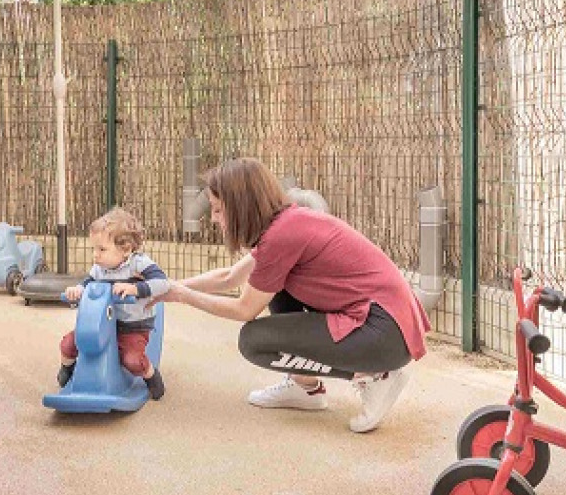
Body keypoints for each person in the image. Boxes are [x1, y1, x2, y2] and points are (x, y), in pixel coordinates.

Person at [158, 158, 431, 433]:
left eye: (218, 210)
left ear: (240, 206)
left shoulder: (282, 236)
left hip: (384, 333)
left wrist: (181, 295)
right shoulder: (286, 224)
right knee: (275, 288)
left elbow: (244, 310)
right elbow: (230, 277)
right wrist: (168, 285)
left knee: (254, 341)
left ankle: (374, 376)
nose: (214, 218)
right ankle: (305, 388)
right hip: (384, 325)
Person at [59, 208, 169, 400]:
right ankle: (68, 368)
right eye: (94, 249)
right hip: (101, 325)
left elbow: (163, 284)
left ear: (126, 249)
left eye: (102, 249)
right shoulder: (99, 269)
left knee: (132, 360)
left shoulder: (138, 264)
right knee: (69, 344)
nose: (95, 255)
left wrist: (136, 289)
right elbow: (87, 285)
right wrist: (77, 290)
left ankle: (151, 376)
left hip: (132, 327)